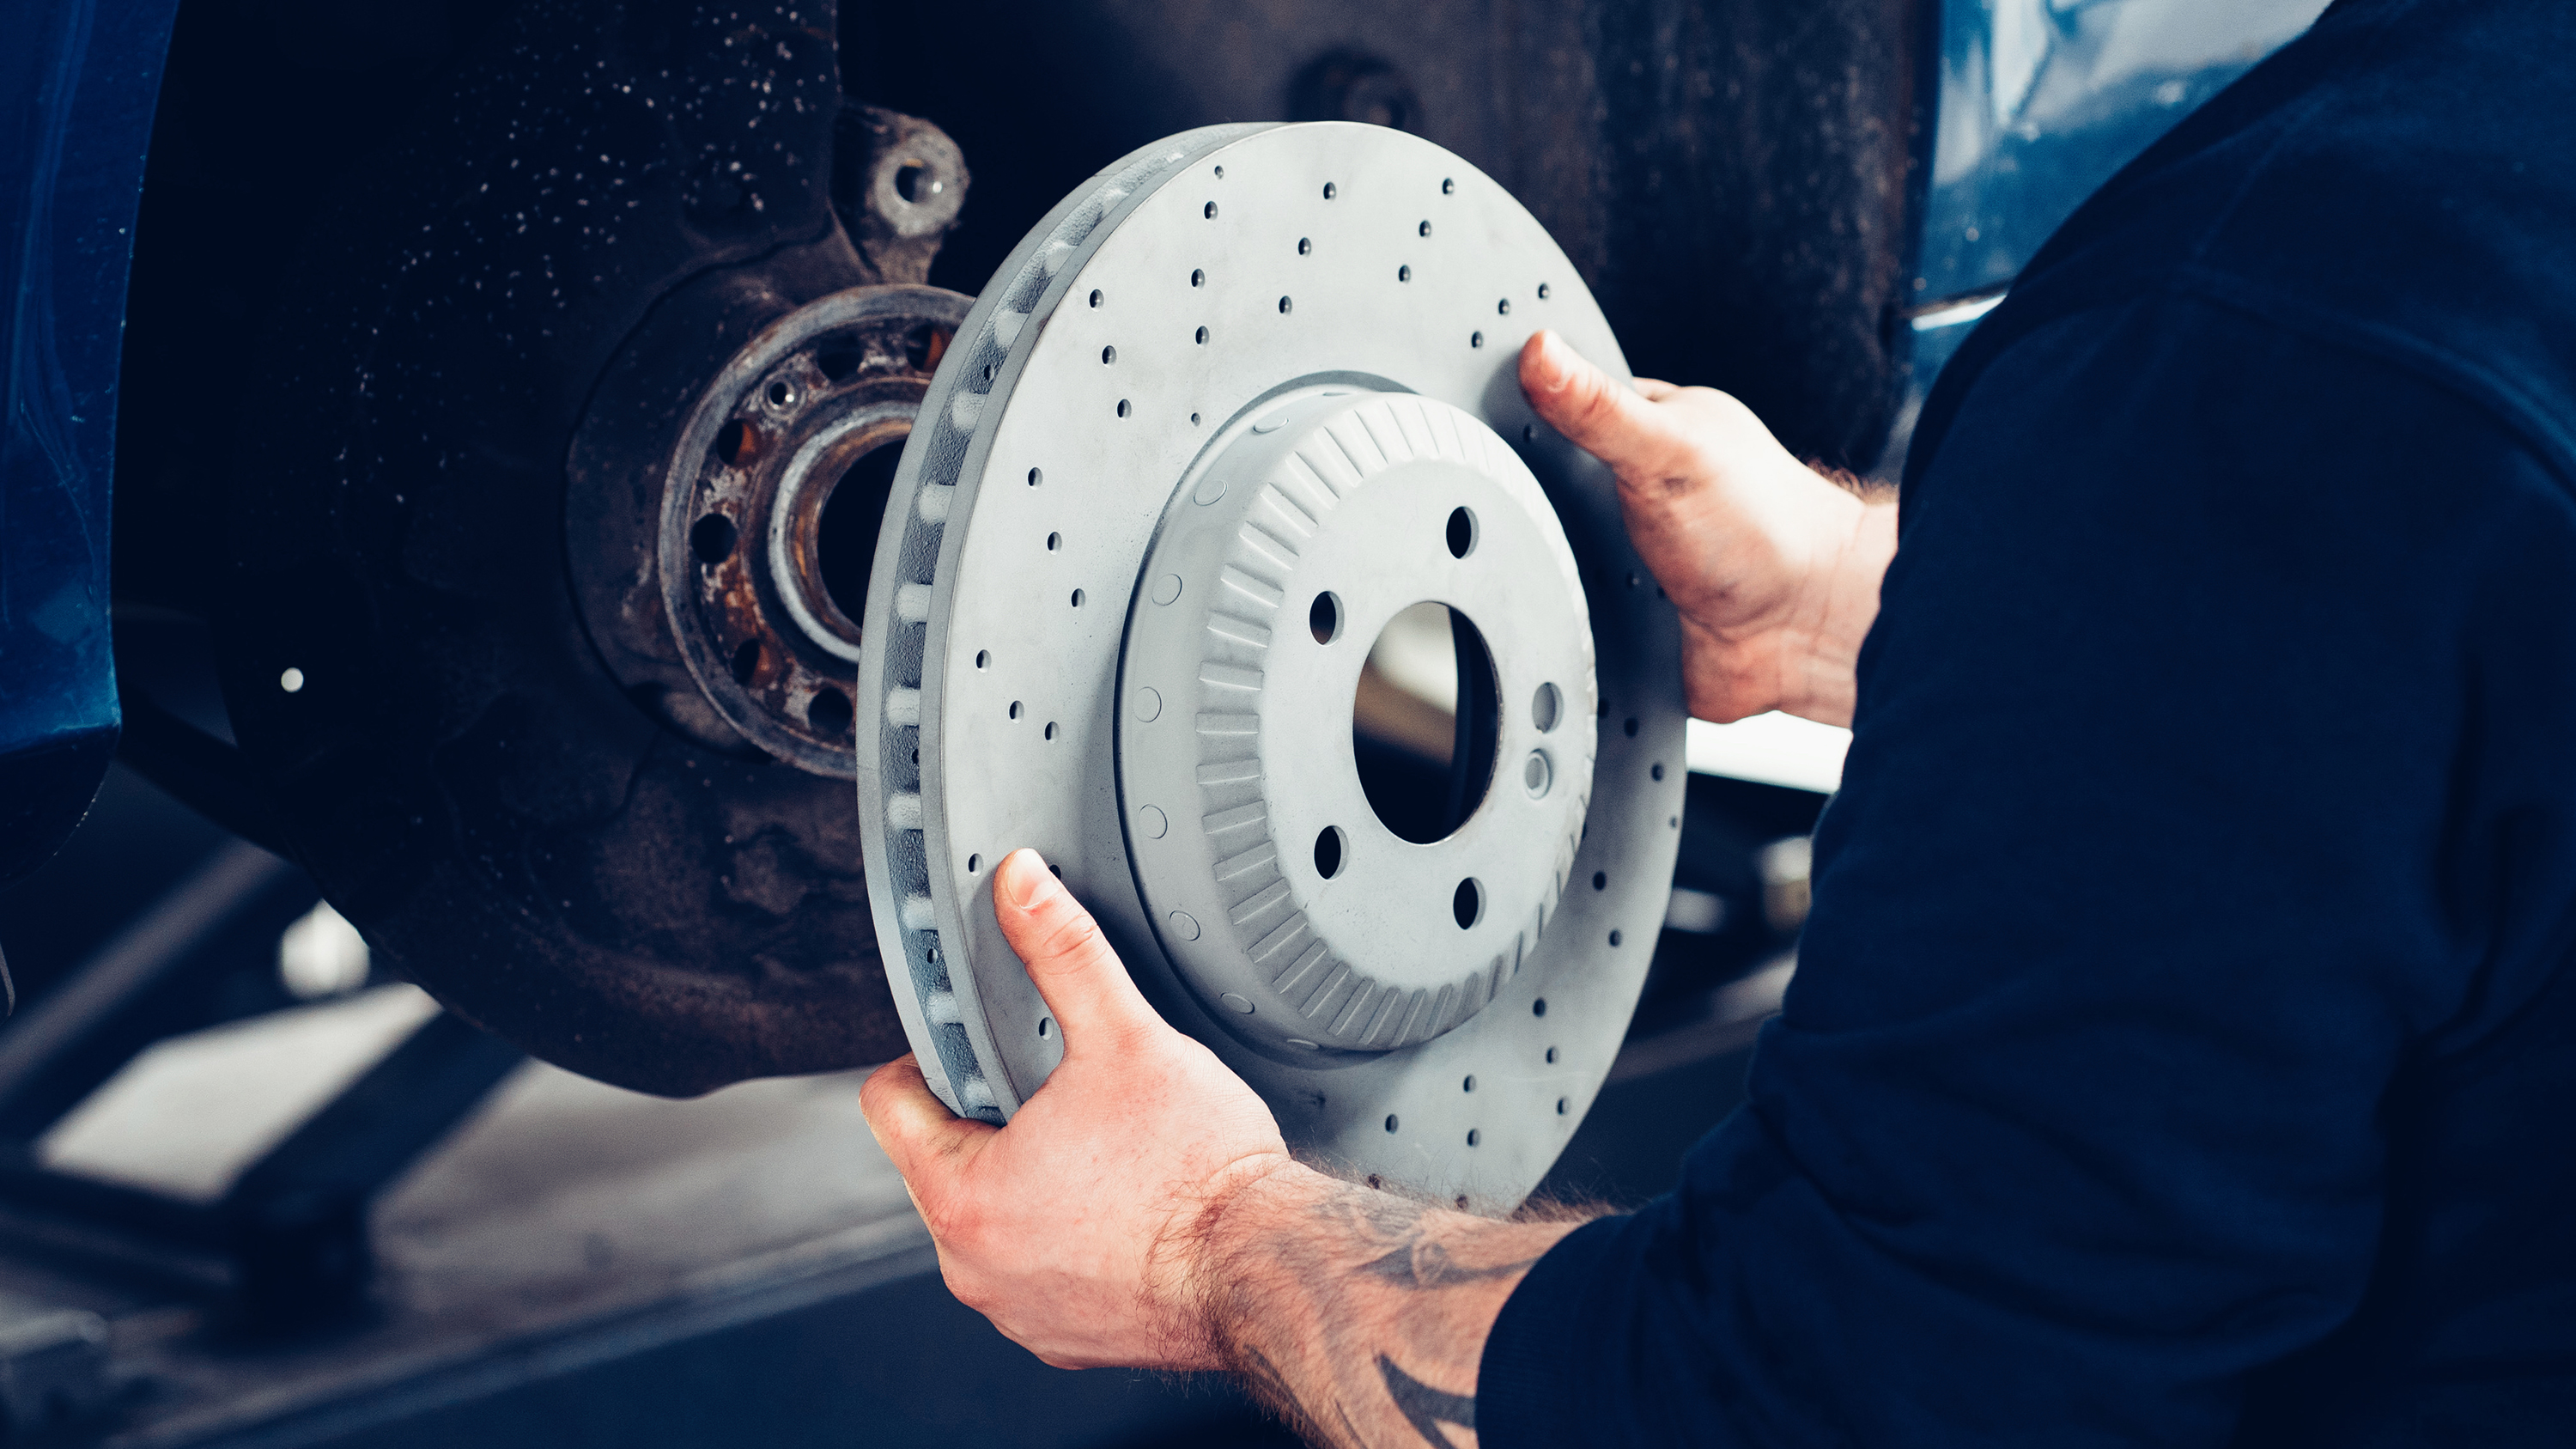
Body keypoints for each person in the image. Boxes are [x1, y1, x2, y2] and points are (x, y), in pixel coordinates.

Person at [860, 0, 2576, 1441]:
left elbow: (1828, 1395)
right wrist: (1871, 598)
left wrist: (1199, 1239)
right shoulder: (2416, 291)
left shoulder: (2261, 345)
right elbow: (2410, 646)